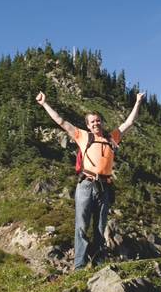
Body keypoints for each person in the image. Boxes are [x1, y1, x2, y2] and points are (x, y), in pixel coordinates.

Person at [36, 90, 145, 270]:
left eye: (98, 120)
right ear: (87, 125)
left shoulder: (112, 138)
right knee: (81, 226)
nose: (96, 123)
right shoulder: (82, 136)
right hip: (86, 184)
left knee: (100, 228)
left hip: (105, 187)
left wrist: (138, 102)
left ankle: (98, 262)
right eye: (92, 121)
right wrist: (44, 104)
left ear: (102, 122)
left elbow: (129, 122)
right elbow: (61, 121)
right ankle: (79, 265)